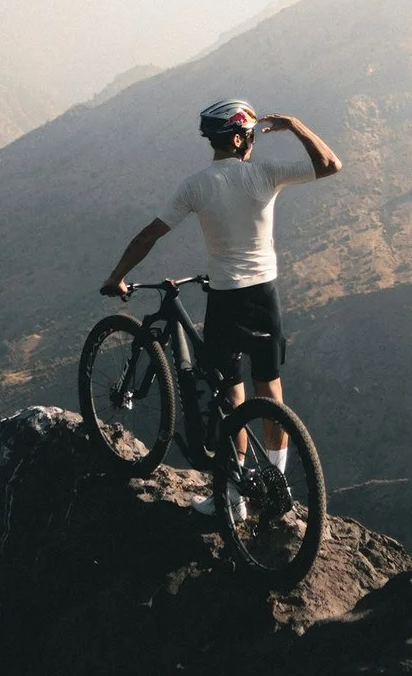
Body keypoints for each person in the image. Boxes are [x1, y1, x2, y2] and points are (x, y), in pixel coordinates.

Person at [100, 99, 341, 512]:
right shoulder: (265, 175)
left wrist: (116, 276)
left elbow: (148, 236)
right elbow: (330, 163)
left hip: (228, 298)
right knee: (270, 387)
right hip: (266, 296)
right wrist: (296, 125)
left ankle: (231, 497)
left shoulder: (196, 185)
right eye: (249, 137)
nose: (252, 144)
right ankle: (274, 485)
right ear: (238, 137)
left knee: (232, 395)